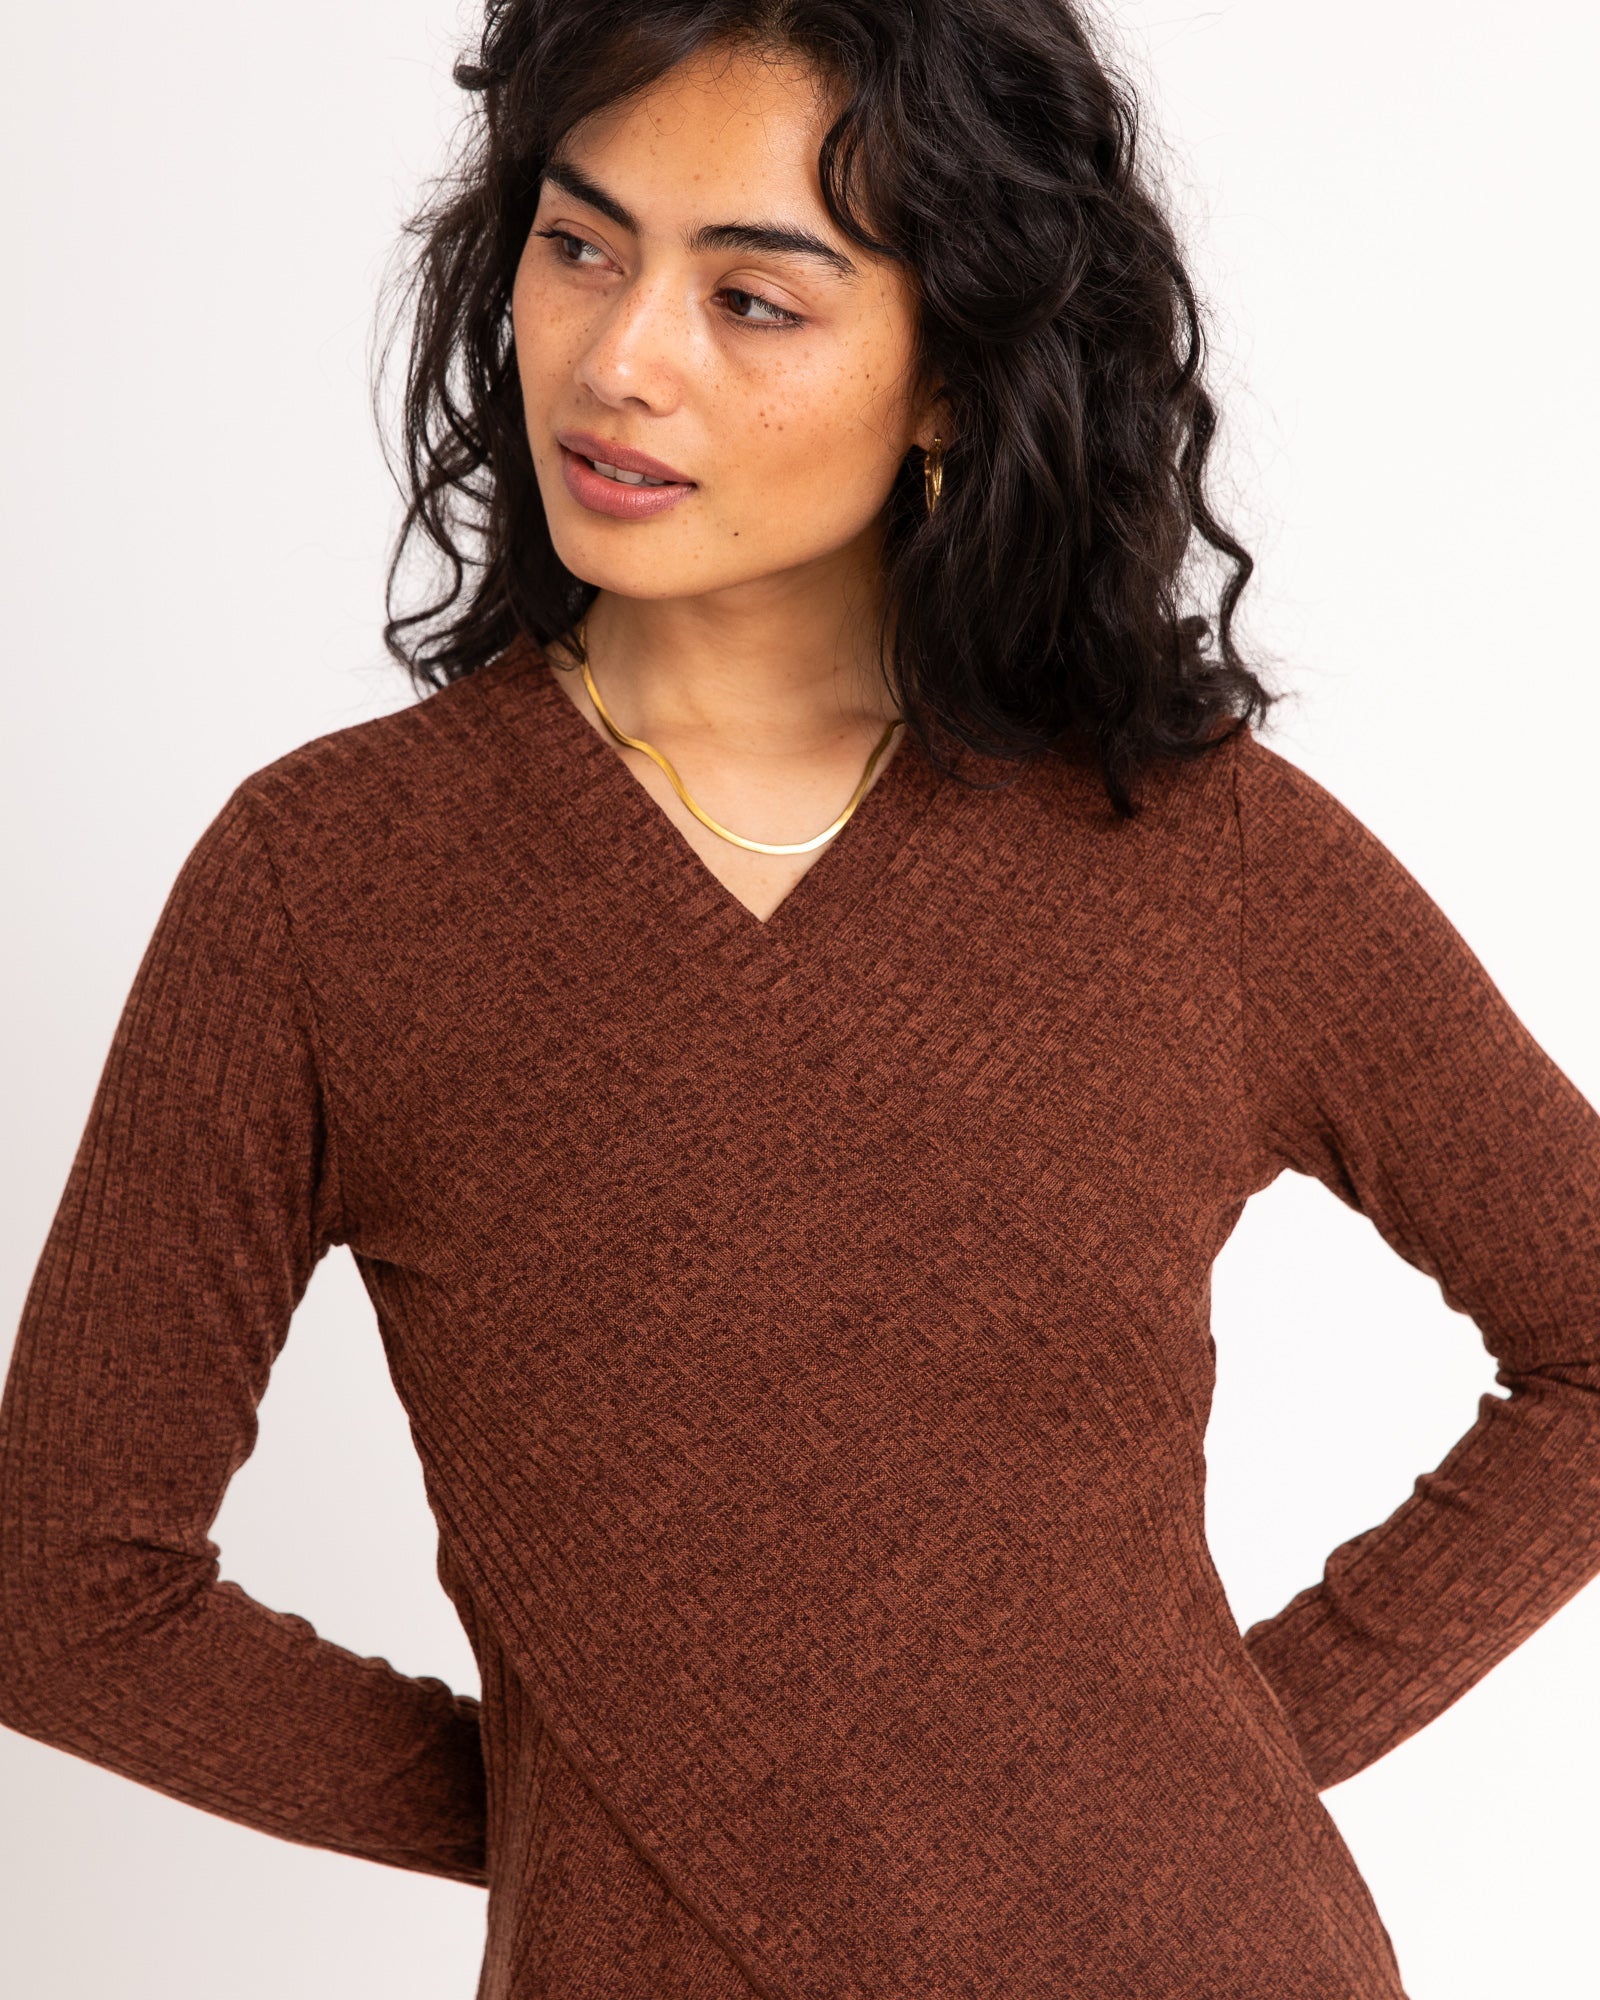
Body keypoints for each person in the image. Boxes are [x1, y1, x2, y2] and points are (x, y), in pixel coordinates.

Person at [3, 4, 1598, 1996]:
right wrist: (598, 1817)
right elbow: (62, 1591)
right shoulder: (327, 886)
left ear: (951, 376)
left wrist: (1210, 1764)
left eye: (751, 298)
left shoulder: (1197, 849)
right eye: (578, 246)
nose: (619, 356)